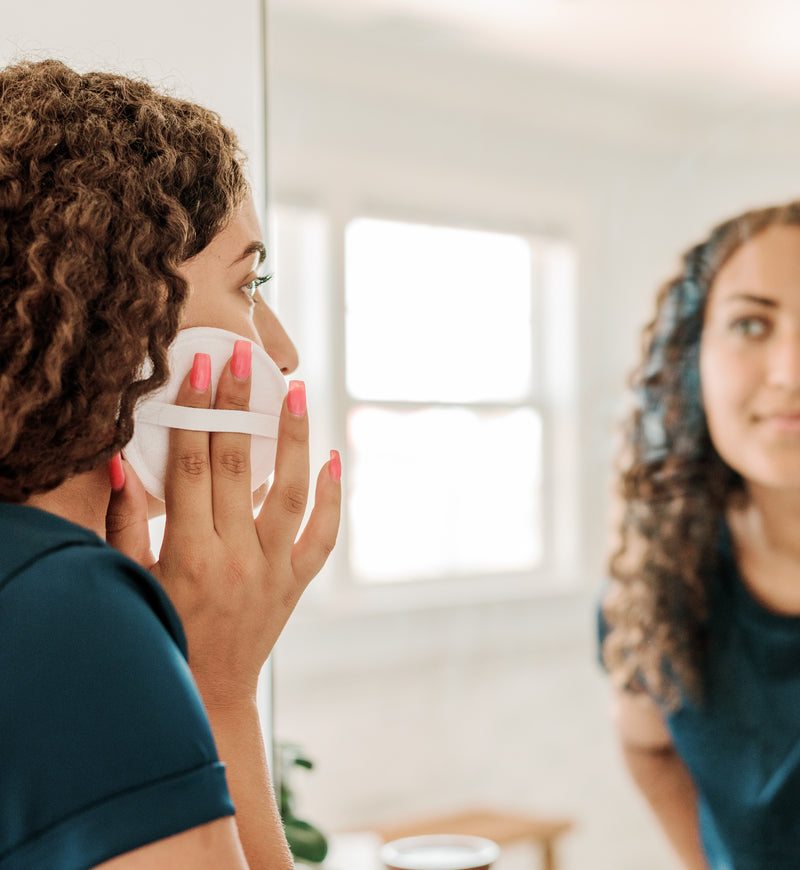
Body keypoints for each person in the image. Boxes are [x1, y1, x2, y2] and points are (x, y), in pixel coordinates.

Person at [0, 58, 341, 870]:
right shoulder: (67, 612)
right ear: (119, 305)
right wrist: (218, 693)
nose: (282, 350)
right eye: (248, 283)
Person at [599, 199, 800, 870]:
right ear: (692, 358)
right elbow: (647, 744)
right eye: (751, 324)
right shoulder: (658, 573)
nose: (790, 373)